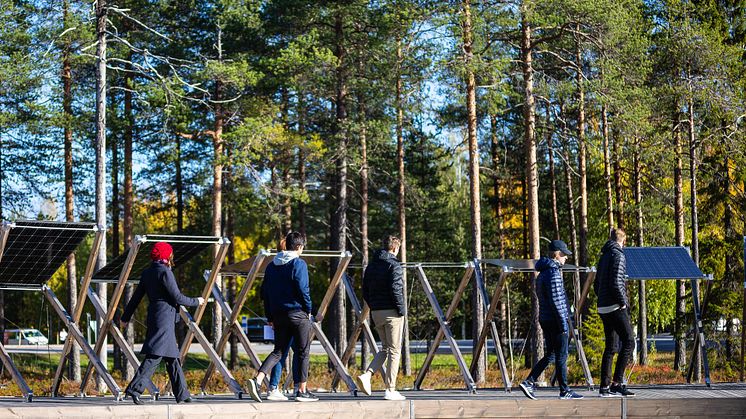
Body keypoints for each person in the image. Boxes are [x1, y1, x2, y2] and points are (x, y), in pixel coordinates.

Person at [120, 242, 206, 405]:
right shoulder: (165, 272)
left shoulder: (148, 272)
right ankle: (134, 389)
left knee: (172, 358)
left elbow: (136, 298)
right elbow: (178, 298)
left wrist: (125, 317)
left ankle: (182, 394)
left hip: (155, 317)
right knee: (155, 356)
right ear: (166, 256)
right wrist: (197, 301)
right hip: (165, 319)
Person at [246, 231, 318, 403]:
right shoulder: (299, 264)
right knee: (302, 352)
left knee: (278, 351)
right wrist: (309, 310)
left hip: (278, 315)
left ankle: (257, 380)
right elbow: (303, 290)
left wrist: (270, 315)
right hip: (297, 314)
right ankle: (301, 391)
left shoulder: (271, 266)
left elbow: (266, 293)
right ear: (299, 246)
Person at [519, 240, 584, 400]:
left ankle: (529, 381)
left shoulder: (543, 273)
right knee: (561, 355)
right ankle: (564, 390)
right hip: (555, 321)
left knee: (552, 354)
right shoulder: (553, 272)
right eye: (564, 255)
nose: (566, 258)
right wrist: (563, 325)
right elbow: (557, 302)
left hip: (546, 319)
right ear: (557, 254)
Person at [355, 235, 406, 401]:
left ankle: (367, 375)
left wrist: (374, 306)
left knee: (385, 348)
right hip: (392, 312)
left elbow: (365, 291)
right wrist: (401, 310)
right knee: (394, 350)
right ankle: (390, 389)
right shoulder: (395, 265)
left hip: (376, 312)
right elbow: (396, 289)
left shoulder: (371, 266)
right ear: (394, 248)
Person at [594, 228, 635, 397]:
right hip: (615, 306)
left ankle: (604, 387)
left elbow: (597, 284)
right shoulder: (618, 255)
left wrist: (603, 300)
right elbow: (616, 282)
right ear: (623, 241)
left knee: (611, 347)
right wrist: (623, 302)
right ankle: (617, 383)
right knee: (629, 341)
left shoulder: (604, 257)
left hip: (603, 306)